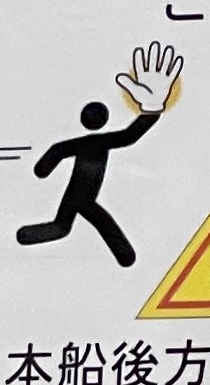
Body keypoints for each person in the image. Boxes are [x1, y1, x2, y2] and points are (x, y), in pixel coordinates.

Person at [18, 62, 172, 264]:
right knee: (75, 224)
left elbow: (57, 152)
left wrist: (44, 168)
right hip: (82, 195)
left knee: (66, 225)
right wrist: (151, 111)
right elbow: (129, 135)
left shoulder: (83, 143)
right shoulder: (101, 141)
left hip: (78, 195)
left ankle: (125, 256)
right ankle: (125, 256)